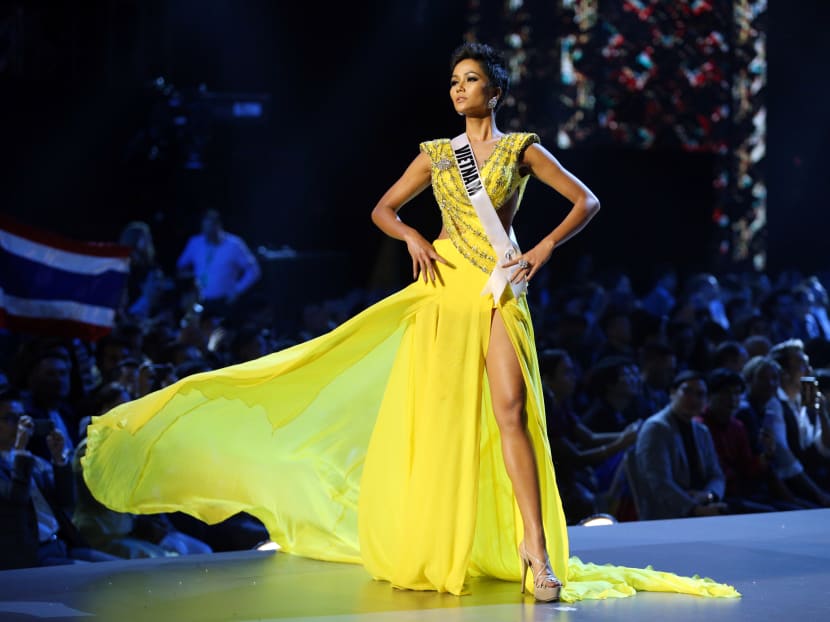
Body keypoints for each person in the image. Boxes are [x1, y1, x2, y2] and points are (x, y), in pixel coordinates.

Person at [81, 43, 737, 602]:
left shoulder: (521, 150)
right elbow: (383, 210)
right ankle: (440, 537)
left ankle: (536, 550)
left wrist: (541, 248)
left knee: (510, 410)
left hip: (500, 287)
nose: (459, 90)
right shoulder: (438, 154)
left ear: (497, 87)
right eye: (453, 82)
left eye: (471, 79)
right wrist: (412, 239)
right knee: (445, 419)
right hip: (445, 285)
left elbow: (586, 200)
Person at [631, 371, 728, 520]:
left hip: (702, 505)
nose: (693, 399)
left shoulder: (701, 430)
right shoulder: (656, 428)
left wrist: (708, 495)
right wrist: (695, 509)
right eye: (687, 391)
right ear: (672, 392)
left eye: (700, 394)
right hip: (668, 515)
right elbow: (659, 484)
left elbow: (716, 474)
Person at [176, 209, 261, 316]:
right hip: (200, 302)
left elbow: (254, 271)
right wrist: (191, 280)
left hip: (224, 302)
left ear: (218, 226)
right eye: (205, 229)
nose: (207, 234)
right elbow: (181, 266)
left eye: (211, 228)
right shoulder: (195, 242)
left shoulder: (234, 244)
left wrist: (237, 290)